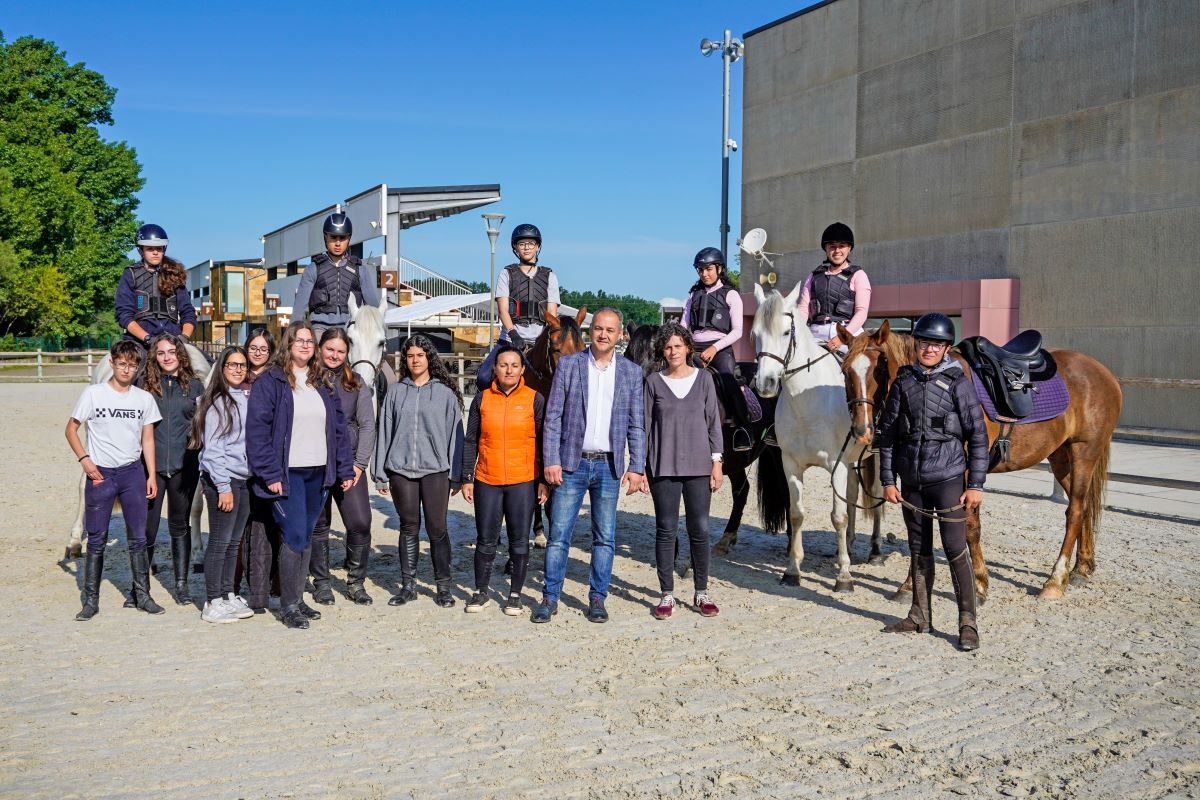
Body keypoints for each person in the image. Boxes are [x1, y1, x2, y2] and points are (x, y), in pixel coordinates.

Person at [877, 312, 988, 651]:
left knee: (955, 548)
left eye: (936, 344)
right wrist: (888, 479)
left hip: (949, 478)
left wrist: (976, 484)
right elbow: (888, 435)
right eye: (925, 343)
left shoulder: (959, 384)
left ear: (946, 348)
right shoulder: (903, 381)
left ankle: (967, 621)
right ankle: (919, 615)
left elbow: (978, 436)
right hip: (911, 480)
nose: (929, 349)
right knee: (918, 548)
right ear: (917, 345)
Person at [534, 307, 647, 624]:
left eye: (610, 330)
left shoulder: (630, 373)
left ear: (619, 335)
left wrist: (636, 465)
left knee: (605, 537)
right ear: (590, 331)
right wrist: (551, 460)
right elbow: (553, 417)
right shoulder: (569, 366)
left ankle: (597, 597)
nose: (603, 335)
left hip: (609, 467)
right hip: (571, 464)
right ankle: (550, 596)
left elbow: (636, 425)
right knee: (558, 536)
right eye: (598, 328)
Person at [246, 321, 354, 630]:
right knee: (293, 535)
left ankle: (298, 598)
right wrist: (269, 473)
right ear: (289, 344)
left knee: (306, 537)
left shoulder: (322, 382)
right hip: (286, 473)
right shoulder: (272, 382)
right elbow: (257, 431)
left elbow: (338, 430)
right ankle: (288, 605)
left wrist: (344, 467)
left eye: (309, 341)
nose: (305, 345)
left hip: (318, 473)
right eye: (300, 340)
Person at [65, 341, 164, 620]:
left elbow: (147, 439)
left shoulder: (143, 399)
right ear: (112, 363)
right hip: (101, 473)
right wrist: (85, 459)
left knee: (138, 538)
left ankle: (143, 595)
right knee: (96, 539)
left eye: (132, 365)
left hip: (132, 472)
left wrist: (151, 474)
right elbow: (71, 429)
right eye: (122, 363)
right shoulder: (93, 394)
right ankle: (91, 600)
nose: (127, 369)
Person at [374, 335, 465, 608]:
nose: (415, 360)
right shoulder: (395, 392)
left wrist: (456, 474)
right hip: (401, 470)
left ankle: (443, 587)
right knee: (408, 527)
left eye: (420, 356)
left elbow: (456, 436)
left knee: (437, 529)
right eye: (410, 356)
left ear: (429, 358)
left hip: (436, 470)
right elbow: (384, 431)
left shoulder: (445, 394)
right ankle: (409, 585)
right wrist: (380, 471)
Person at [642, 323, 724, 620]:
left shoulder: (704, 380)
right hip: (663, 466)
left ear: (689, 348)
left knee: (699, 530)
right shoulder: (652, 382)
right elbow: (644, 427)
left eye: (678, 345)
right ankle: (666, 595)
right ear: (662, 352)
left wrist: (717, 461)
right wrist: (640, 467)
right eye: (667, 347)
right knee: (666, 531)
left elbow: (713, 423)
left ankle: (701, 592)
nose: (672, 351)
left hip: (700, 467)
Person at [460, 345, 549, 616]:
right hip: (488, 479)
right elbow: (471, 440)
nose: (509, 370)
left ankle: (515, 595)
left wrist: (544, 480)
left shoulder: (535, 399)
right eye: (503, 365)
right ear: (494, 369)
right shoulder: (482, 399)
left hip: (523, 481)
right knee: (485, 540)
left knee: (519, 541)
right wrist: (467, 477)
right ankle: (481, 591)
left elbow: (543, 442)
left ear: (522, 369)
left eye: (514, 365)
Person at [135, 333, 203, 606]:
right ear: (155, 356)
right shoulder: (144, 386)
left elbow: (202, 424)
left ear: (180, 355)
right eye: (161, 353)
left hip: (183, 466)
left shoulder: (196, 387)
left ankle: (181, 585)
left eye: (172, 352)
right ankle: (140, 588)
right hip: (150, 467)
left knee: (179, 525)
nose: (167, 357)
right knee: (148, 529)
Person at [310, 328, 376, 606]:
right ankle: (322, 582)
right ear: (320, 348)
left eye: (340, 351)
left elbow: (367, 424)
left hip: (348, 463)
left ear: (347, 354)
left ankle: (355, 581)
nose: (335, 355)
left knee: (360, 522)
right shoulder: (308, 380)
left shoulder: (356, 383)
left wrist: (360, 464)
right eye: (330, 349)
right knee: (319, 524)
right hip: (314, 462)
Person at [192, 346, 255, 623]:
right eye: (232, 365)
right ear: (222, 367)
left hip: (242, 477)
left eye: (242, 365)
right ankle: (212, 600)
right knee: (219, 541)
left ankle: (228, 594)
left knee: (233, 542)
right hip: (223, 478)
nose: (238, 369)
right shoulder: (217, 401)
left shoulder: (244, 397)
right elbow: (214, 448)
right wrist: (223, 486)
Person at [681, 246, 752, 451]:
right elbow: (683, 326)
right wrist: (684, 346)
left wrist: (714, 348)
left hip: (720, 349)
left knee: (728, 380)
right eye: (701, 270)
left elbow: (738, 331)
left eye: (709, 269)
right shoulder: (693, 295)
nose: (705, 274)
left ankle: (742, 428)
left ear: (719, 269)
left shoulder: (731, 295)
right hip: (693, 348)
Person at [475, 223, 561, 390]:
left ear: (538, 246)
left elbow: (552, 313)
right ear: (515, 247)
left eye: (531, 243)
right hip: (511, 339)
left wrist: (544, 337)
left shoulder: (550, 276)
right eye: (522, 244)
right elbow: (503, 310)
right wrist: (514, 334)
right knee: (484, 377)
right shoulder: (506, 273)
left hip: (539, 341)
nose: (526, 248)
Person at [239, 328, 282, 613]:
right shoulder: (235, 374)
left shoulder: (277, 379)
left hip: (268, 459)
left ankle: (275, 582)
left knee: (273, 525)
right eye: (253, 348)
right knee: (245, 528)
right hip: (240, 461)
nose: (257, 353)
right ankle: (246, 583)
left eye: (262, 348)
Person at [291, 213, 380, 335]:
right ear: (325, 237)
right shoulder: (313, 269)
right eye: (333, 237)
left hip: (352, 328)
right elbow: (299, 308)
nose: (338, 243)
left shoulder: (360, 269)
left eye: (342, 238)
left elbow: (373, 309)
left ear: (348, 239)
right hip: (320, 328)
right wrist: (291, 336)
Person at [115, 224, 196, 349]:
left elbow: (188, 311)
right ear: (141, 250)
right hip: (139, 341)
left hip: (173, 340)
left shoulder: (174, 274)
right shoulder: (130, 273)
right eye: (150, 249)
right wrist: (148, 339)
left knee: (207, 363)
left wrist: (184, 337)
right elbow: (124, 315)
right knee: (127, 365)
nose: (155, 252)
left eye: (159, 248)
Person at [796, 222, 872, 353]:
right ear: (826, 249)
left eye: (842, 246)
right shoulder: (813, 276)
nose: (837, 251)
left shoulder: (859, 275)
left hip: (849, 335)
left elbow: (861, 312)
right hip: (816, 335)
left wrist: (842, 337)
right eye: (832, 246)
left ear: (849, 248)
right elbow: (803, 310)